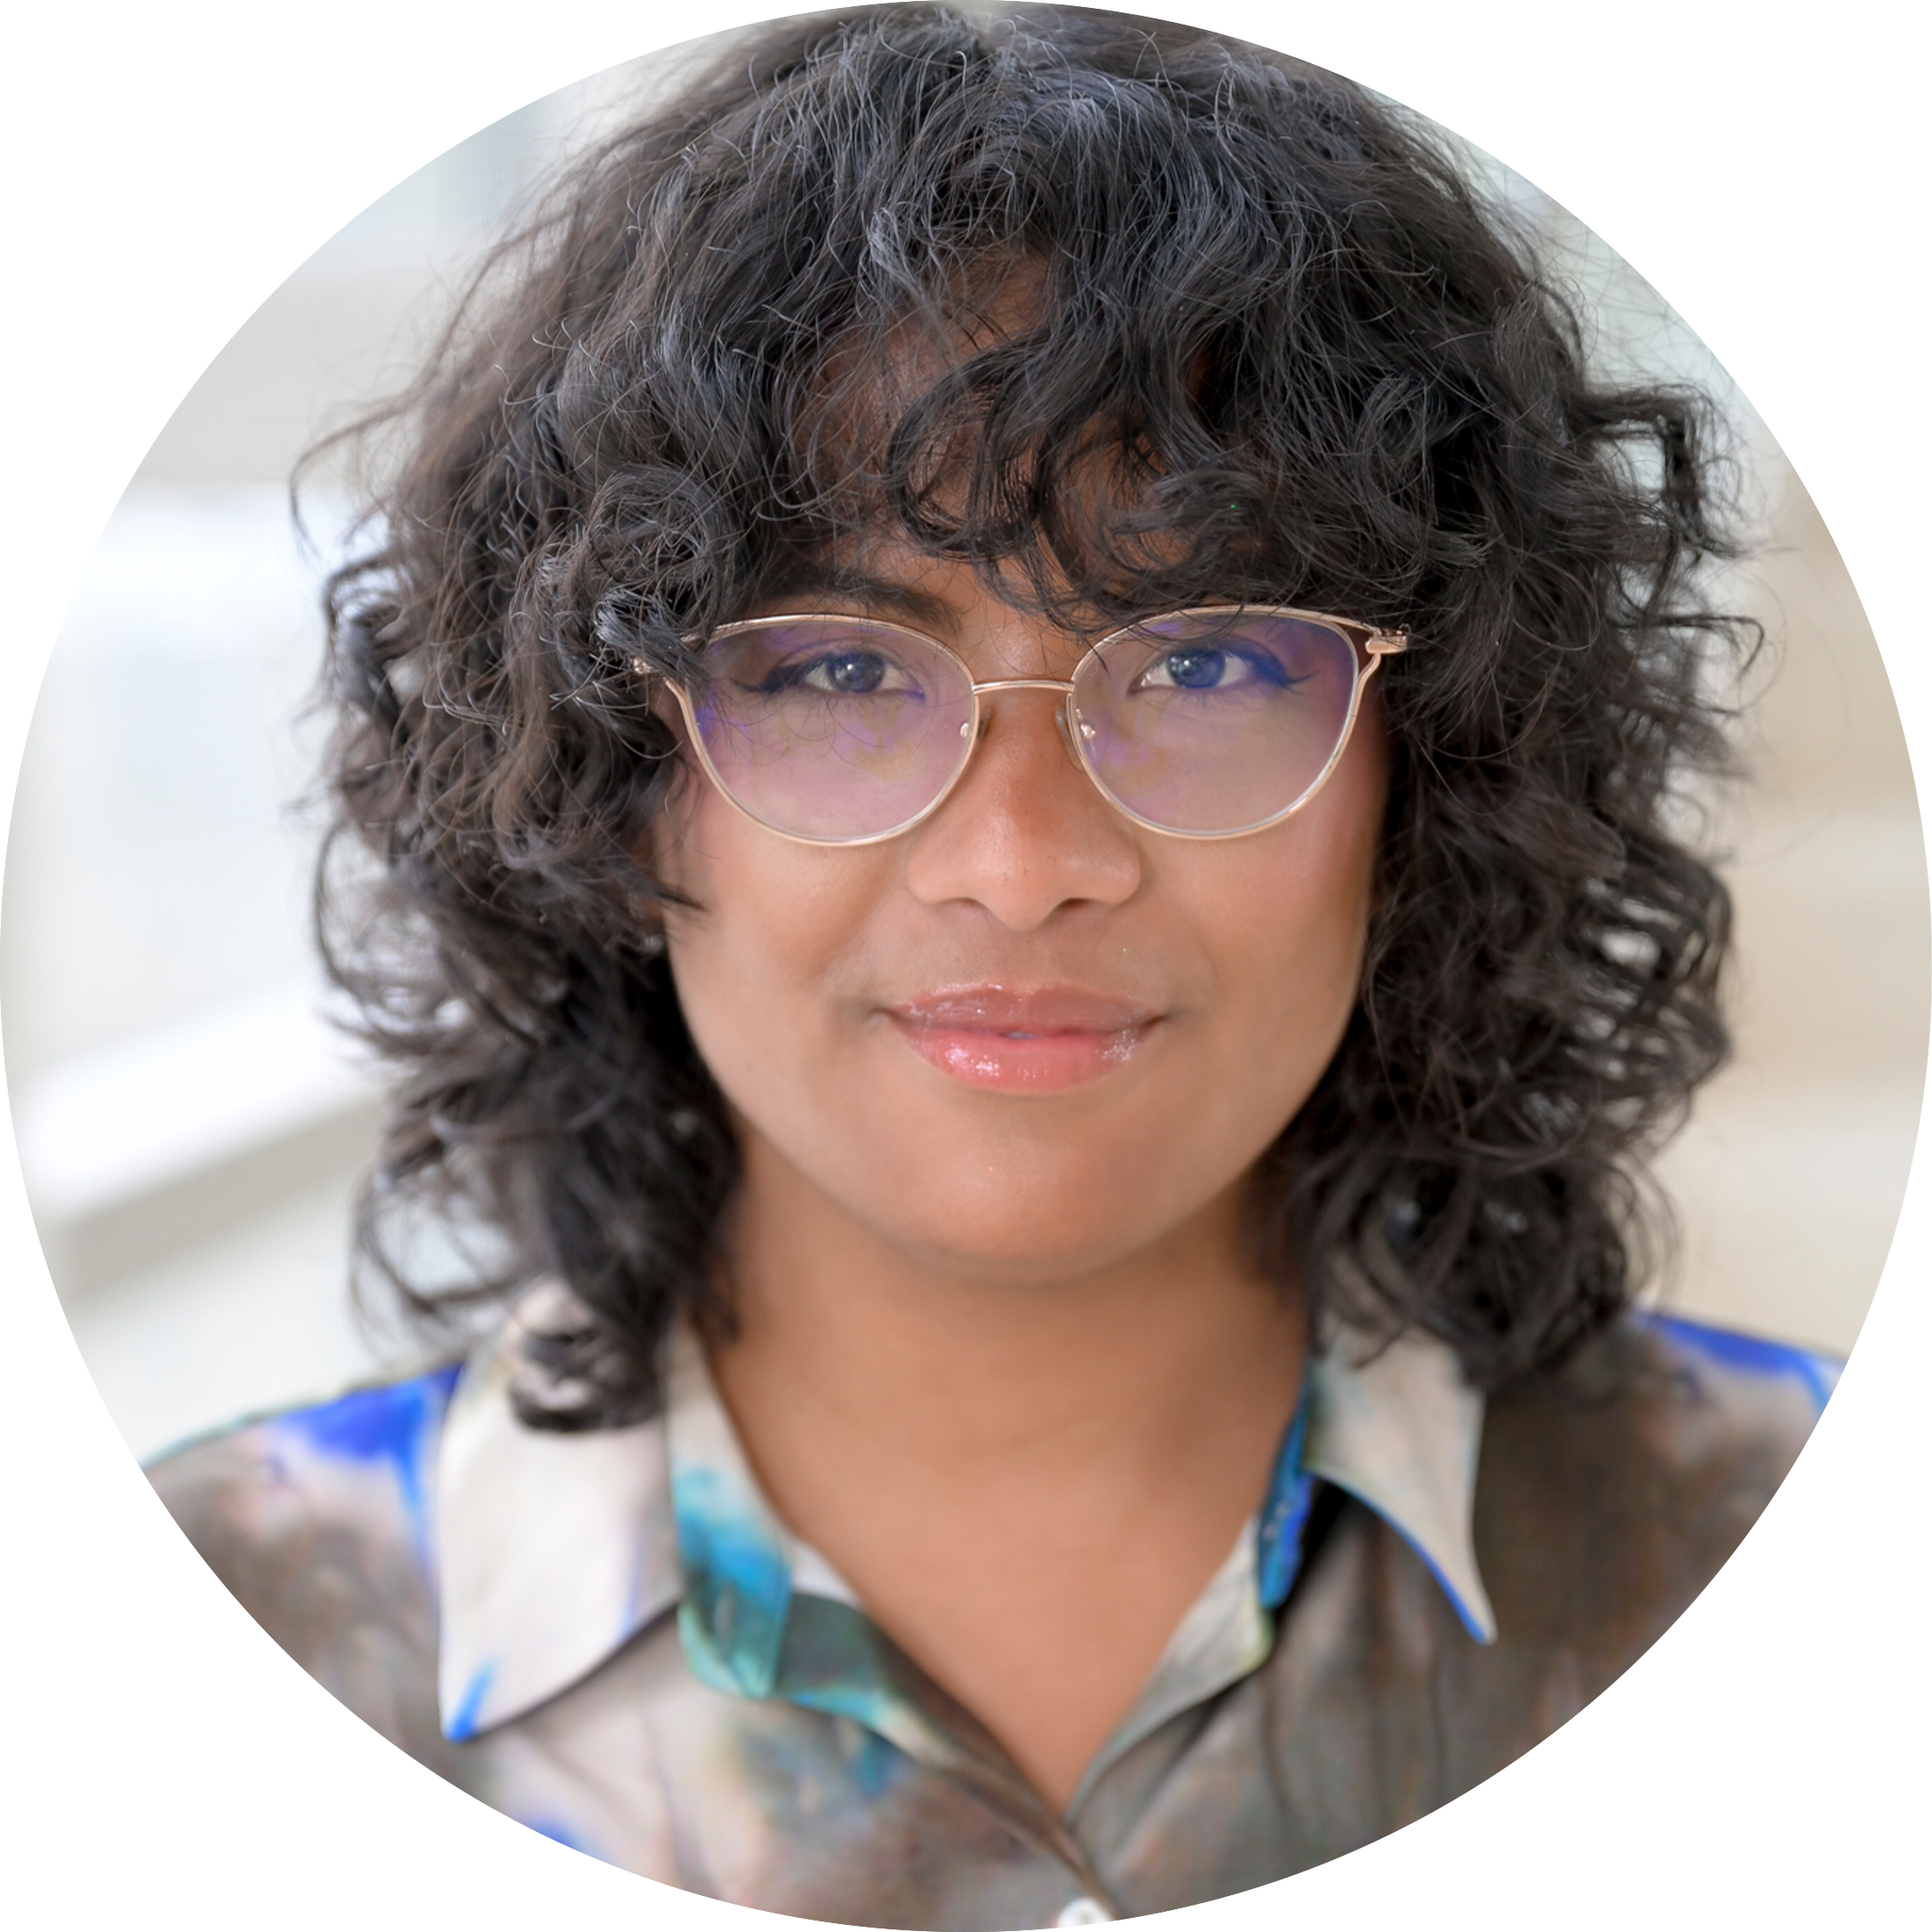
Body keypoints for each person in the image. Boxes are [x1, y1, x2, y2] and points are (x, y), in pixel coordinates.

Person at [144, 6, 1927, 1923]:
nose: (1022, 864)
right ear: (608, 773)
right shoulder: (214, 1656)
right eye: (832, 668)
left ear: (1443, 775)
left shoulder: (1854, 1587)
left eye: (1211, 664)